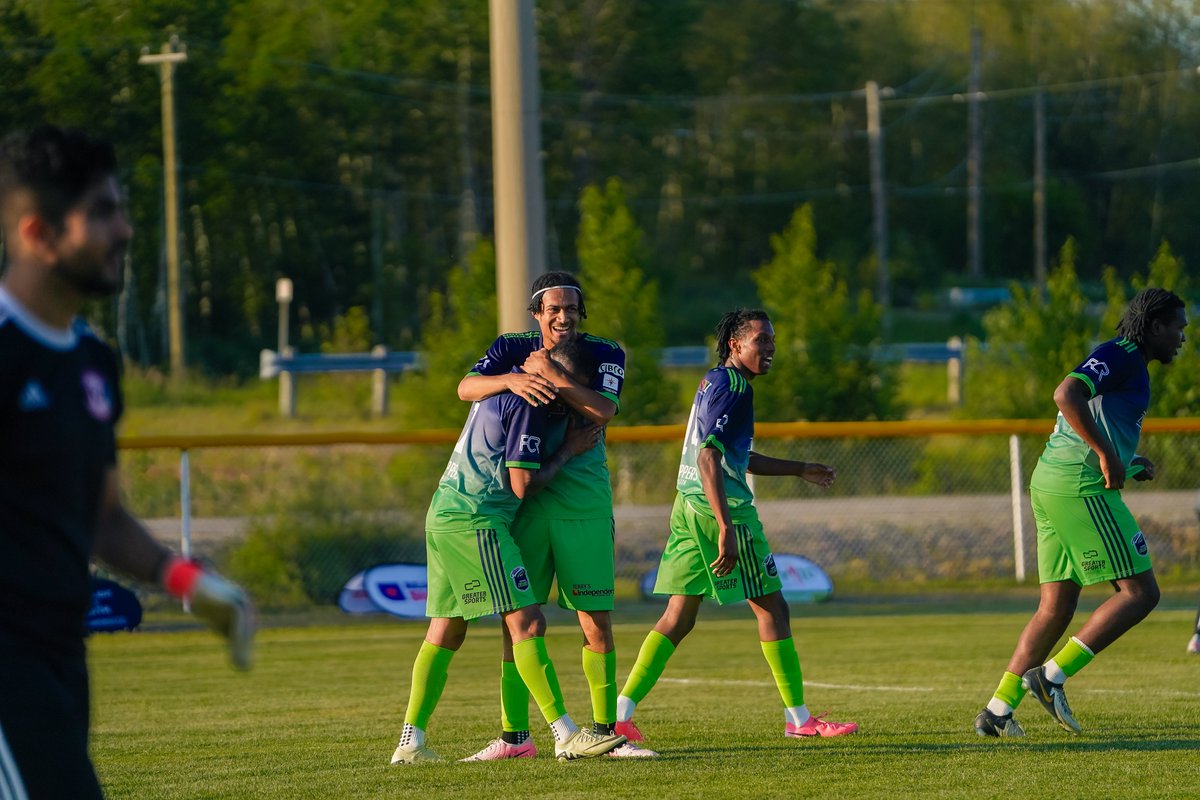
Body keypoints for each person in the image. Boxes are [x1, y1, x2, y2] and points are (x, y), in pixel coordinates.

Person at [0, 125, 254, 799]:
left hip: (59, 655)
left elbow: (101, 517)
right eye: (102, 213)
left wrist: (190, 582)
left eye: (122, 208)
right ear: (37, 234)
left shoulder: (92, 362)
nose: (125, 230)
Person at [613, 308, 858, 748]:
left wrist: (800, 468)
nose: (769, 349)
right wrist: (726, 525)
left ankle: (619, 715)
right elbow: (710, 457)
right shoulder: (735, 388)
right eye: (761, 340)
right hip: (720, 512)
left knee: (678, 616)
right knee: (773, 609)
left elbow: (732, 455)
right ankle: (799, 719)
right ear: (735, 345)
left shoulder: (715, 380)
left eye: (772, 342)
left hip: (686, 506)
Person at [389, 336, 625, 764]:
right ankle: (566, 734)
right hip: (478, 520)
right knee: (528, 623)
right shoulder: (533, 401)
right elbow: (522, 484)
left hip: (444, 511)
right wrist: (570, 448)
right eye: (577, 387)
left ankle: (410, 741)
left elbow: (469, 389)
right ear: (562, 378)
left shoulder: (503, 386)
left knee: (446, 629)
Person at [974, 288, 1188, 738]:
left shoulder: (1128, 362)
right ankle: (1050, 677)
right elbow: (1066, 393)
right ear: (1154, 326)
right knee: (1140, 593)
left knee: (1055, 607)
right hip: (1080, 488)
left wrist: (1125, 460)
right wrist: (1109, 458)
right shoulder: (1124, 353)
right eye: (1177, 327)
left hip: (1052, 482)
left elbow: (1090, 419)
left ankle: (997, 711)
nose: (1182, 337)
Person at [456, 272, 653, 759]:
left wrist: (553, 375)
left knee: (595, 620)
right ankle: (513, 738)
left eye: (571, 308)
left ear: (581, 313)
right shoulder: (511, 346)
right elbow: (465, 387)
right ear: (537, 314)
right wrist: (514, 377)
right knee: (517, 621)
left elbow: (603, 410)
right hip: (525, 497)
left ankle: (605, 732)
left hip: (583, 501)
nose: (563, 316)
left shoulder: (605, 352)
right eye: (553, 309)